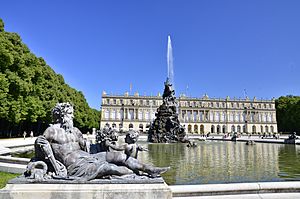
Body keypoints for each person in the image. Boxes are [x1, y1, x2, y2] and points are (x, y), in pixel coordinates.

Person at [33, 103, 168, 181]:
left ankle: (149, 169)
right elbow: (41, 151)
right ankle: (133, 174)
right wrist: (39, 146)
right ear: (61, 115)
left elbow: (90, 147)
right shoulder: (52, 131)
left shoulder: (75, 131)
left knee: (120, 156)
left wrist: (104, 143)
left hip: (87, 157)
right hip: (75, 166)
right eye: (69, 113)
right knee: (108, 167)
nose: (72, 116)